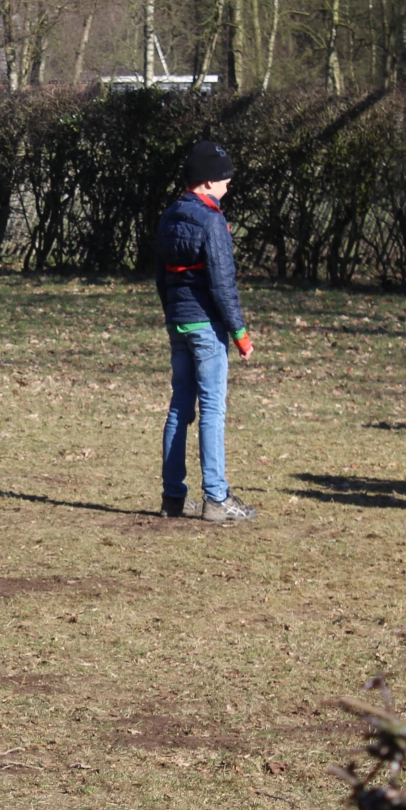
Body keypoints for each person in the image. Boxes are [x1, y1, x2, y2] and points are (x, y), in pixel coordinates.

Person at [156, 140, 256, 523]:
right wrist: (240, 334)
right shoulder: (212, 220)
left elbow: (159, 275)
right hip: (205, 325)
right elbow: (222, 283)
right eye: (226, 180)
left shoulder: (169, 216)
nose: (228, 186)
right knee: (213, 408)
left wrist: (171, 314)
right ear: (210, 181)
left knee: (180, 406)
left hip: (178, 322)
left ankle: (172, 498)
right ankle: (217, 498)